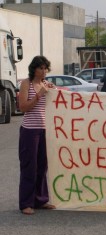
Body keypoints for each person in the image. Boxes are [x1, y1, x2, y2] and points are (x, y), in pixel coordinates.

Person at [18, 56, 56, 215]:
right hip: (30, 131)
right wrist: (39, 95)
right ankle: (26, 203)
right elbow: (23, 107)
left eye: (46, 68)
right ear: (34, 69)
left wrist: (52, 91)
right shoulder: (26, 84)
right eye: (41, 68)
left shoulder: (45, 85)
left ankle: (40, 200)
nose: (44, 71)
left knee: (42, 166)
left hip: (44, 130)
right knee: (29, 167)